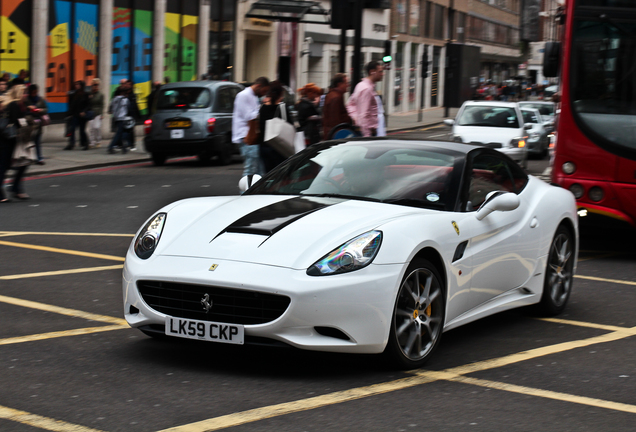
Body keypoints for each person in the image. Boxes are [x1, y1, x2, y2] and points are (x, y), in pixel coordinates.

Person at [232, 76, 270, 177]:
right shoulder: (244, 95)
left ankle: (254, 191)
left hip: (251, 136)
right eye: (264, 90)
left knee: (259, 170)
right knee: (252, 170)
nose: (263, 94)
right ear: (258, 86)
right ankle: (245, 191)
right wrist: (263, 107)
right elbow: (249, 116)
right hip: (246, 137)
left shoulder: (252, 96)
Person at [0, 85, 32, 201]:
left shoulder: (14, 104)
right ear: (18, 94)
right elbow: (16, 121)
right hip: (8, 139)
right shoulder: (14, 105)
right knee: (5, 165)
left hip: (10, 139)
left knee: (20, 164)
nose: (26, 95)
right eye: (24, 93)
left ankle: (16, 188)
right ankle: (13, 189)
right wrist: (28, 121)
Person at [258, 80, 294, 173]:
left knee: (268, 175)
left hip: (264, 147)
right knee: (280, 175)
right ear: (280, 93)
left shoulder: (262, 108)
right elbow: (291, 126)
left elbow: (260, 126)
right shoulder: (282, 107)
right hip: (279, 148)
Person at [346, 61, 385, 137]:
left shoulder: (360, 85)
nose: (382, 74)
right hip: (367, 132)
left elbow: (350, 104)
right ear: (372, 72)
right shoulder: (367, 89)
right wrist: (367, 136)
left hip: (363, 131)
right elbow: (364, 115)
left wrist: (355, 117)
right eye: (380, 71)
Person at [322, 73, 352, 140]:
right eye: (346, 83)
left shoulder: (333, 95)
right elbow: (334, 120)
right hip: (336, 136)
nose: (348, 85)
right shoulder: (336, 97)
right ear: (339, 84)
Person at [26, 84, 48, 164]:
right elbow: (23, 111)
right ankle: (30, 158)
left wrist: (40, 110)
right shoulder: (26, 100)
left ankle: (39, 158)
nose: (33, 94)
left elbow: (46, 109)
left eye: (35, 92)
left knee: (37, 142)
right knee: (28, 142)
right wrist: (29, 109)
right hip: (29, 123)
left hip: (38, 123)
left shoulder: (40, 99)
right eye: (32, 93)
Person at [65, 80, 90, 150]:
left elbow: (88, 105)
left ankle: (85, 143)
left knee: (82, 130)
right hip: (75, 114)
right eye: (76, 84)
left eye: (78, 84)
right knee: (72, 129)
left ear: (81, 86)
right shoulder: (74, 94)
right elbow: (72, 105)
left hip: (82, 115)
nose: (76, 86)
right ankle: (71, 143)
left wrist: (84, 111)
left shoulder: (85, 94)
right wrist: (69, 114)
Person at [108, 88, 132, 154]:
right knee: (119, 134)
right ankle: (111, 146)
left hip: (116, 118)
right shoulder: (125, 100)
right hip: (122, 118)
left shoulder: (114, 99)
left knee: (120, 133)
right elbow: (129, 108)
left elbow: (111, 108)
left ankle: (124, 148)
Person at [87, 78, 104, 149]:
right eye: (94, 85)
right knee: (91, 128)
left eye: (97, 85)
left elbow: (102, 105)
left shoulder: (100, 95)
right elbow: (87, 103)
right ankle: (92, 142)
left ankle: (98, 141)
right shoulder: (89, 94)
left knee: (96, 127)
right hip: (91, 112)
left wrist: (101, 114)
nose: (95, 86)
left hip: (97, 113)